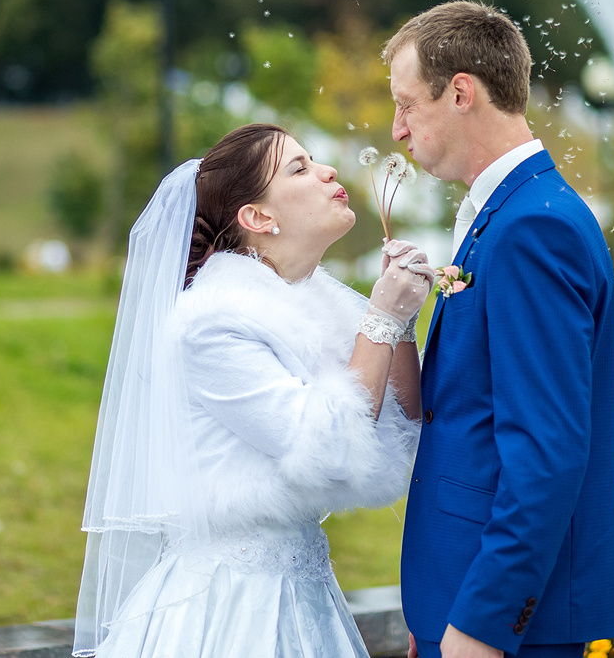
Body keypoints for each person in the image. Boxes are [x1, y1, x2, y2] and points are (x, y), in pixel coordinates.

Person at [74, 123, 434, 658]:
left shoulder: (312, 302)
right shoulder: (215, 320)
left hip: (303, 584)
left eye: (315, 160)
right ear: (258, 218)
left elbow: (401, 424)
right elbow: (332, 448)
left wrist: (397, 320)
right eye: (300, 169)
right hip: (231, 601)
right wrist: (380, 317)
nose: (328, 171)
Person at [386, 1, 614, 658]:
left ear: (461, 92)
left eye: (408, 105)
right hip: (460, 594)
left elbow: (547, 455)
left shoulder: (532, 229)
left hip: (510, 625)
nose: (397, 130)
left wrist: (481, 625)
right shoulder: (511, 211)